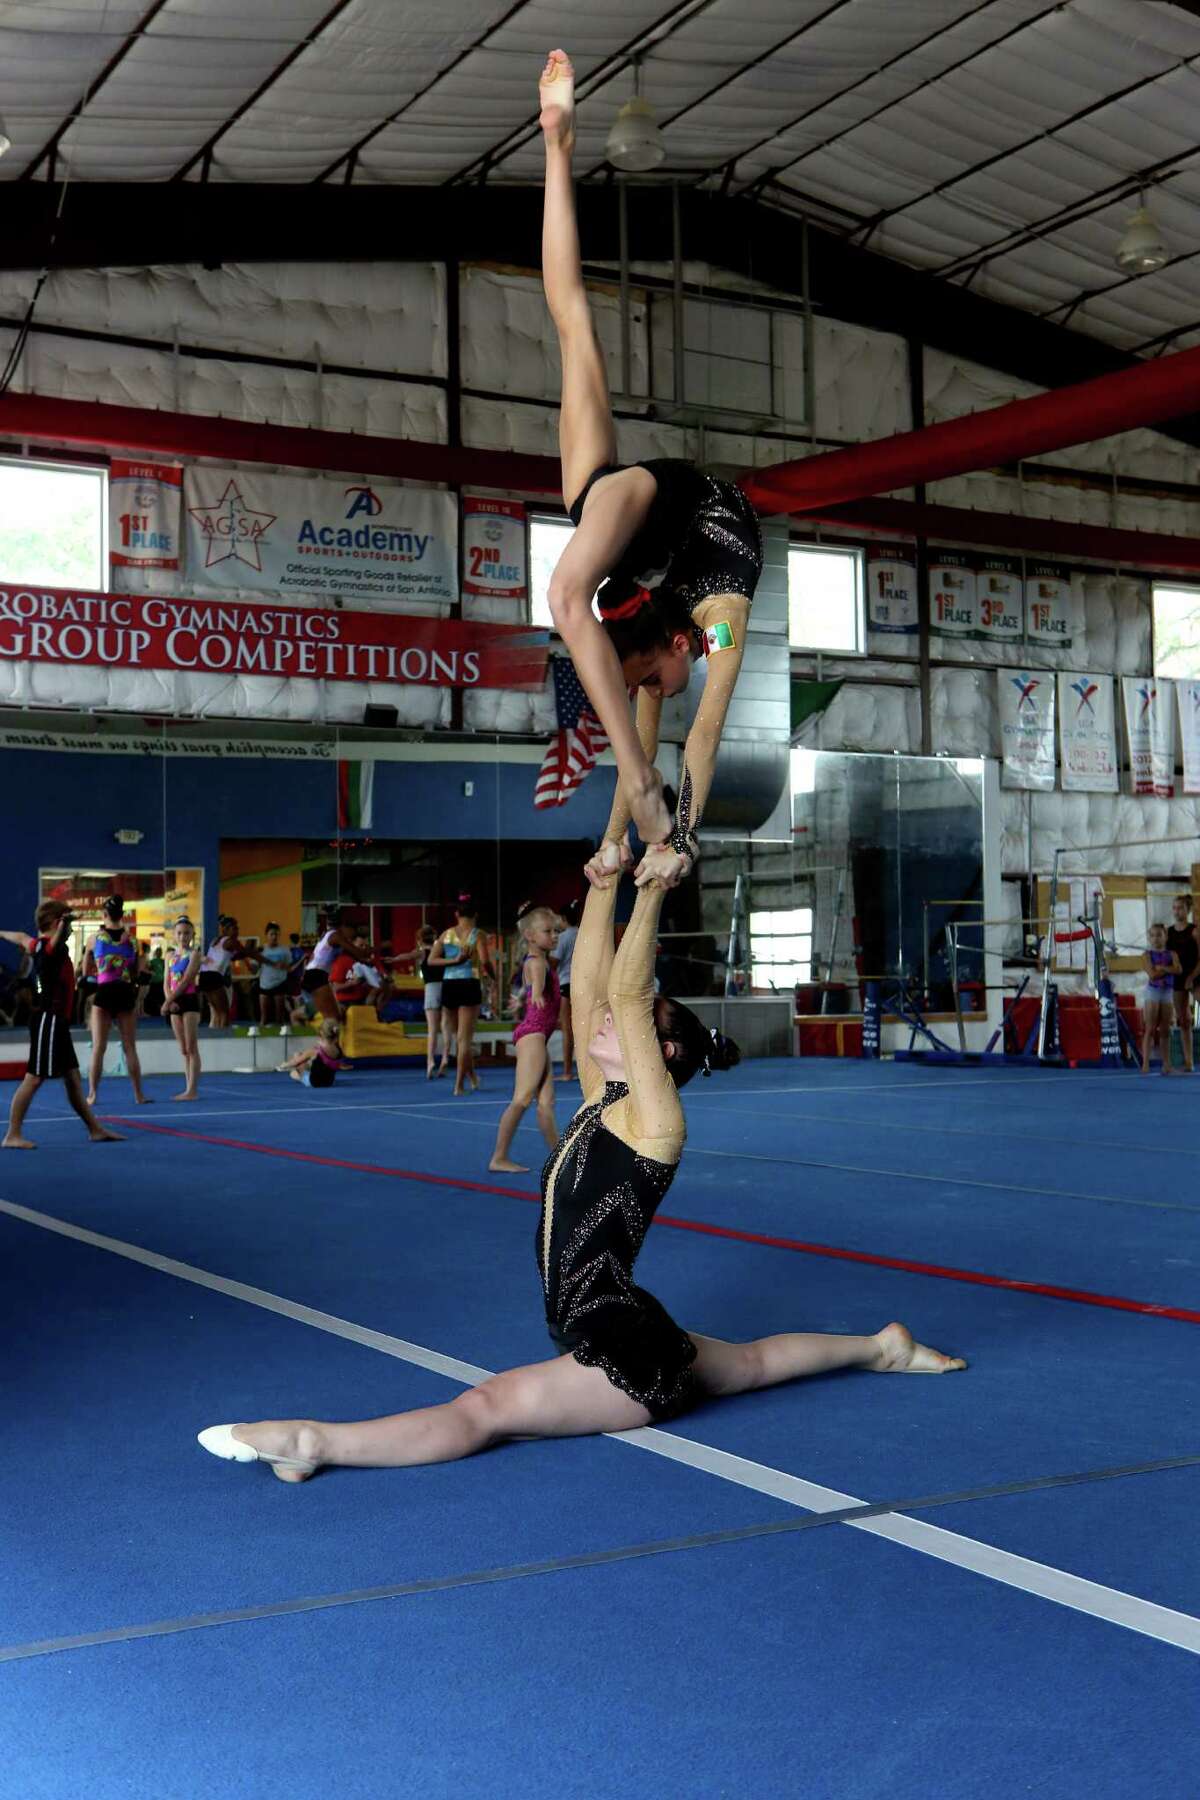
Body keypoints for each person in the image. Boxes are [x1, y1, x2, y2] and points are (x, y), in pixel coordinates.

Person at [198, 841, 964, 1481]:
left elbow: (626, 995)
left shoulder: (657, 1121)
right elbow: (595, 988)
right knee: (754, 1364)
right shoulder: (606, 1095)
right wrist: (600, 889)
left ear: (660, 1053)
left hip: (626, 1351)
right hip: (620, 1318)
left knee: (486, 1411)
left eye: (632, 1023)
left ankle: (312, 1445)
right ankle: (880, 1347)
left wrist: (655, 891)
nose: (599, 1020)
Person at [537, 48, 763, 893]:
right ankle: (637, 793)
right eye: (654, 679)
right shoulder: (718, 620)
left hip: (619, 502)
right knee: (566, 600)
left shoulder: (674, 625)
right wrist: (676, 835)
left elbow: (665, 704)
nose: (664, 688)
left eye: (647, 681)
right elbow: (703, 728)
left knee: (570, 322)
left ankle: (556, 146)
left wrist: (634, 835)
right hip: (639, 498)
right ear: (677, 643)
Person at [2, 902, 122, 1150]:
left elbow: (21, 937)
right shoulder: (49, 948)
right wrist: (66, 922)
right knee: (34, 1078)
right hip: (50, 1019)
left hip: (58, 1022)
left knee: (73, 1079)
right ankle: (12, 1134)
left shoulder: (36, 945)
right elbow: (54, 941)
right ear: (57, 924)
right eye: (65, 927)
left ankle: (95, 1129)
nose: (69, 932)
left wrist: (0, 933)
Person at [489, 904, 562, 1174]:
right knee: (522, 1098)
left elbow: (529, 983)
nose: (554, 936)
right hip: (533, 1033)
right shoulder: (539, 963)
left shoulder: (531, 962)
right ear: (530, 936)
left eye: (556, 931)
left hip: (536, 1034)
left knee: (545, 1103)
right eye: (548, 931)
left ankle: (559, 1158)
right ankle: (498, 1157)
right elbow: (537, 984)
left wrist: (521, 997)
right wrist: (536, 994)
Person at [85, 896, 151, 1108]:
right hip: (124, 992)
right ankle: (138, 1094)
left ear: (104, 916)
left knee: (98, 1048)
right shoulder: (132, 941)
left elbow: (86, 971)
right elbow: (134, 973)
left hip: (104, 992)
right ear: (122, 915)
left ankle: (93, 1095)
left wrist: (102, 967)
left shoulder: (94, 939)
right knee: (130, 1046)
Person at [429, 895, 495, 1097]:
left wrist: (453, 962)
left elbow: (431, 961)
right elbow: (484, 961)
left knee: (458, 1038)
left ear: (456, 914)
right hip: (469, 983)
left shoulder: (445, 935)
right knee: (464, 1040)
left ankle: (472, 1077)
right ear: (475, 914)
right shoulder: (478, 934)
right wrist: (493, 977)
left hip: (449, 985)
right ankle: (458, 1085)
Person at [161, 916, 203, 1102]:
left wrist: (167, 1002)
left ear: (192, 935)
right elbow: (166, 981)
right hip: (174, 1002)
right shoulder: (169, 956)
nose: (183, 936)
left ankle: (192, 1090)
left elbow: (186, 980)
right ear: (174, 935)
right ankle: (188, 1087)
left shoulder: (195, 954)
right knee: (184, 1049)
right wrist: (169, 1001)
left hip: (189, 1002)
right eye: (179, 933)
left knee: (192, 1047)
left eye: (187, 933)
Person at [300, 909, 365, 1023]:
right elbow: (358, 952)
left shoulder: (326, 935)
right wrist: (380, 948)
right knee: (332, 1019)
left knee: (334, 1016)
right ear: (343, 926)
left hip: (313, 974)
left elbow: (314, 956)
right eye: (353, 931)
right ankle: (326, 1039)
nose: (353, 934)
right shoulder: (336, 935)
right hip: (316, 975)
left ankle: (328, 1037)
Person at [198, 916, 255, 1030]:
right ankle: (221, 1035)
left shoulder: (216, 941)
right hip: (219, 979)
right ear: (226, 929)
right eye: (234, 928)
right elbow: (241, 953)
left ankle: (217, 1033)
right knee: (222, 1012)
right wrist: (250, 951)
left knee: (217, 1012)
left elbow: (235, 956)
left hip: (210, 977)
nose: (237, 931)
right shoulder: (227, 941)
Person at [1142, 923, 1181, 1076]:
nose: (1156, 939)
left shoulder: (1172, 954)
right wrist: (1168, 969)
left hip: (1167, 992)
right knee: (1150, 1028)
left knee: (1165, 1030)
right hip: (1153, 992)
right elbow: (1152, 975)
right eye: (1153, 935)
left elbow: (1179, 969)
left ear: (1165, 936)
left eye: (1159, 935)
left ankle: (1166, 1064)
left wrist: (1162, 968)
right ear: (1149, 938)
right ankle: (1145, 1063)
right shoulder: (1146, 955)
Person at [1166, 894, 1197, 1075]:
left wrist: (1192, 976)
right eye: (1175, 908)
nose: (1177, 911)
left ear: (1188, 910)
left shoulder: (1195, 931)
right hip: (1178, 976)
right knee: (1184, 1020)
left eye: (1181, 908)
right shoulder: (1169, 932)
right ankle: (1189, 1062)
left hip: (1196, 974)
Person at [554, 897, 581, 1082]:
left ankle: (567, 1071)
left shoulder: (562, 937)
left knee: (567, 1029)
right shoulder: (585, 934)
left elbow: (554, 962)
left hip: (567, 983)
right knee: (586, 1029)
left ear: (563, 918)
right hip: (585, 984)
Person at [276, 1017, 345, 1089]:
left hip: (314, 1082)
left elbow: (296, 1062)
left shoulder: (316, 1051)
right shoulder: (339, 1051)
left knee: (293, 1070)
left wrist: (284, 1065)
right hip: (329, 1082)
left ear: (321, 1033)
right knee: (311, 1062)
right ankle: (305, 1068)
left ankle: (300, 1076)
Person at [257, 922, 293, 1028]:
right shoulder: (261, 950)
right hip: (265, 984)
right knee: (264, 1017)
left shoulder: (285, 949)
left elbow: (290, 967)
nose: (274, 937)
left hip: (280, 983)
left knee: (279, 1017)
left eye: (276, 934)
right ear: (266, 935)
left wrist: (284, 966)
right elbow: (254, 968)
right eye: (271, 934)